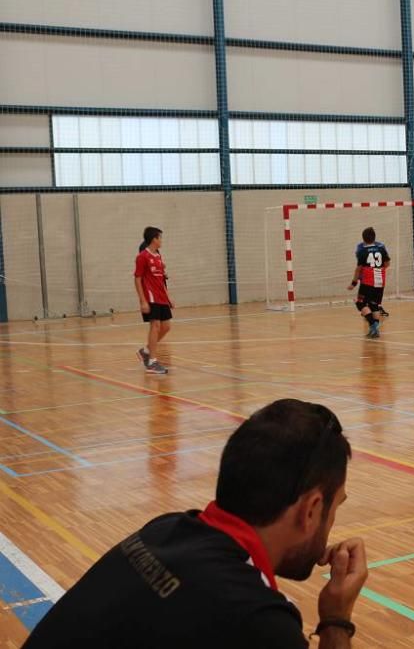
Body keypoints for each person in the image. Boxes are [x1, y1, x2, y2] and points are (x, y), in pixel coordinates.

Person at [23, 399, 366, 649]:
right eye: (335, 509)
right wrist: (335, 619)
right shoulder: (256, 621)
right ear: (311, 509)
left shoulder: (163, 530)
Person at [134, 227, 172, 375]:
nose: (161, 240)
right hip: (150, 297)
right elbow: (137, 279)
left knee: (166, 326)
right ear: (154, 239)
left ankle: (146, 351)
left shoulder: (158, 257)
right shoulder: (142, 257)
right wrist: (142, 301)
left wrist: (169, 298)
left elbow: (161, 280)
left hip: (161, 296)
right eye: (160, 238)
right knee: (155, 325)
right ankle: (152, 362)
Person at [348, 227, 390, 339]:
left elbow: (358, 269)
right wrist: (379, 269)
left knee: (359, 302)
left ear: (363, 239)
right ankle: (374, 330)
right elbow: (387, 264)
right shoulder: (381, 249)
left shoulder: (362, 251)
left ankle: (373, 325)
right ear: (374, 238)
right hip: (380, 281)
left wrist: (354, 283)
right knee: (374, 304)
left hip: (367, 281)